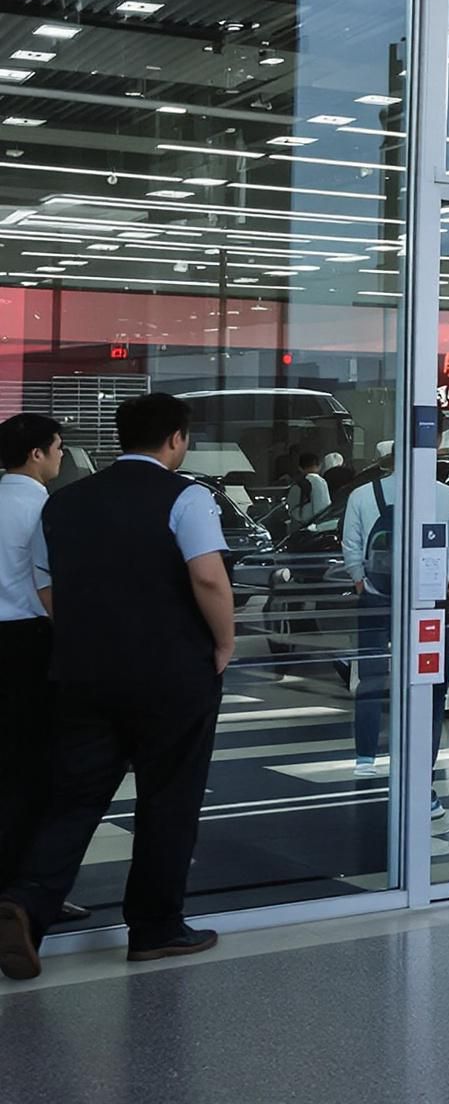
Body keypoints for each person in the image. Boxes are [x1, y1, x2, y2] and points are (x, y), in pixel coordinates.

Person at [0, 394, 238, 978]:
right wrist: (224, 644)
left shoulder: (65, 503)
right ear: (176, 439)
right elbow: (208, 578)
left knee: (76, 797)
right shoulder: (188, 497)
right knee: (168, 798)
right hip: (171, 674)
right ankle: (156, 929)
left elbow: (46, 587)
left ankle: (25, 903)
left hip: (83, 674)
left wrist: (84, 639)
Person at [339, 447, 449, 819]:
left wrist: (361, 582)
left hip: (377, 598)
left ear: (391, 460)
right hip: (429, 606)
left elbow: (351, 547)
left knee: (371, 679)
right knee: (431, 689)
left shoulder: (363, 495)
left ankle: (366, 762)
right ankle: (421, 781)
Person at [0, 415, 64, 895]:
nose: (61, 456)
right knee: (33, 767)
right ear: (36, 453)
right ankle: (24, 892)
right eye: (57, 447)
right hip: (29, 642)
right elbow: (53, 586)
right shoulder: (46, 509)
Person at [284, 445, 332, 525]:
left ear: (300, 468)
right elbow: (323, 508)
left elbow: (291, 508)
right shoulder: (319, 481)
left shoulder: (296, 484)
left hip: (297, 524)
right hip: (313, 525)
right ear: (319, 465)